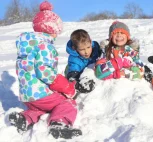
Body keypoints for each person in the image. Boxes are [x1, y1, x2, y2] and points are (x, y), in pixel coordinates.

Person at [9, 1, 84, 139]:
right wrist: (66, 87)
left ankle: (25, 118)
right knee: (66, 103)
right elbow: (44, 72)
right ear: (52, 30)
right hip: (40, 94)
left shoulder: (27, 47)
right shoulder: (45, 46)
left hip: (26, 95)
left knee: (39, 109)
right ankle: (59, 123)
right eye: (57, 31)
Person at [65, 29, 101, 94]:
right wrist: (78, 85)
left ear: (90, 42)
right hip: (73, 71)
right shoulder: (75, 60)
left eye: (88, 47)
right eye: (82, 49)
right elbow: (72, 77)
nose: (86, 52)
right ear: (74, 48)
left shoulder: (95, 47)